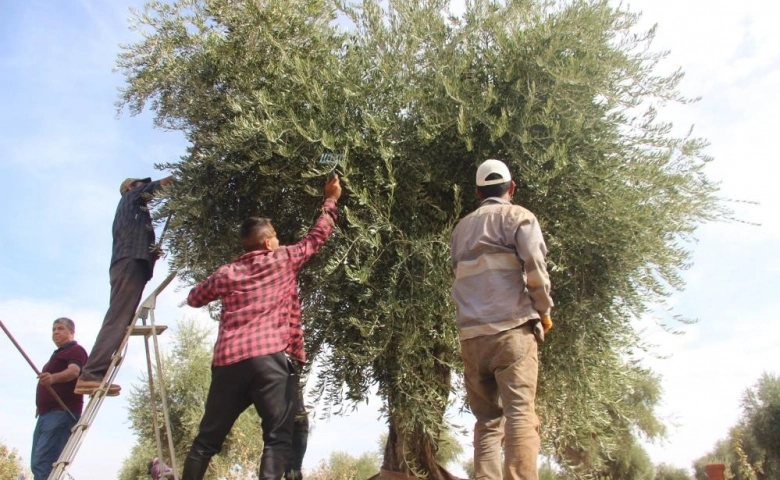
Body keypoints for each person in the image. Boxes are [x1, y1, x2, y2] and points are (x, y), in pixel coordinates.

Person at [181, 175, 342, 480]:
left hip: (228, 365)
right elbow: (317, 237)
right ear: (269, 242)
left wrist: (225, 279)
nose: (279, 241)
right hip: (268, 361)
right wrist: (330, 200)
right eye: (277, 236)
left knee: (206, 441)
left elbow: (194, 298)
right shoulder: (282, 259)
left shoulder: (226, 273)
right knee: (277, 438)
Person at [450, 159, 554, 480]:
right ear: (511, 188)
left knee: (486, 422)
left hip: (471, 339)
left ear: (478, 192)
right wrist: (544, 311)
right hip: (511, 330)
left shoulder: (460, 230)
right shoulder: (519, 217)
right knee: (520, 414)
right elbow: (535, 268)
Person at [75, 175, 173, 396]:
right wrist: (179, 178)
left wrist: (152, 255)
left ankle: (96, 373)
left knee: (120, 317)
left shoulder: (136, 213)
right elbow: (158, 186)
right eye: (140, 184)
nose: (143, 186)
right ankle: (90, 374)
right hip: (129, 262)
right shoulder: (130, 198)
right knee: (118, 318)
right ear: (130, 187)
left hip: (130, 263)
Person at [31, 317, 88, 480]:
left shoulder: (76, 350)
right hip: (46, 415)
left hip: (61, 412)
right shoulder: (57, 355)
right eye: (54, 329)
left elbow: (73, 371)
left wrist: (53, 378)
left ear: (71, 332)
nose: (56, 332)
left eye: (60, 328)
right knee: (37, 464)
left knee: (44, 463)